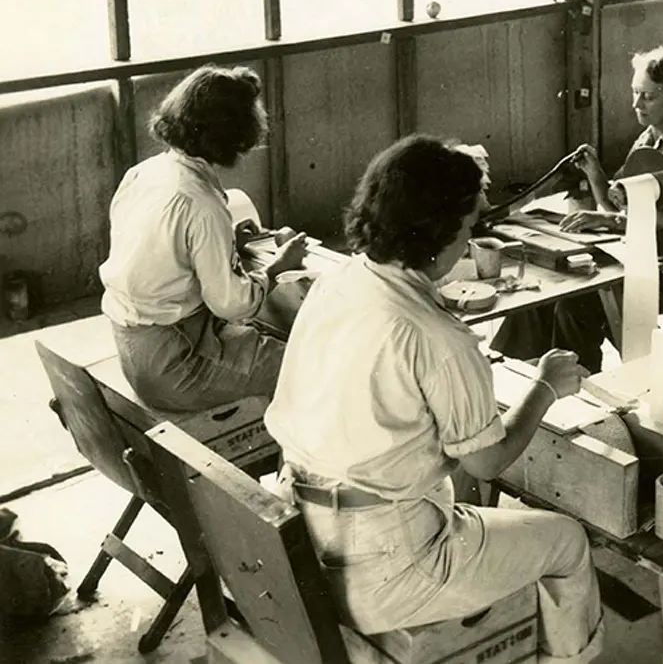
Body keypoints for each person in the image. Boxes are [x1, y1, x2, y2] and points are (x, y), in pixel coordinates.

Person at [264, 136, 603, 663]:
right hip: (384, 568)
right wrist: (544, 388)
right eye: (467, 230)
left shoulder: (338, 281)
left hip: (302, 536)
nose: (468, 245)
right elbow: (488, 462)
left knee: (452, 484)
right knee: (566, 540)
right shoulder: (438, 337)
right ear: (436, 232)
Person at [492, 46, 663, 373]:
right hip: (639, 250)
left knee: (576, 300)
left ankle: (579, 386)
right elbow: (617, 205)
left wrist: (605, 219)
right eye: (635, 93)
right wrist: (596, 175)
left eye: (648, 97)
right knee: (547, 288)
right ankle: (522, 372)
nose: (636, 104)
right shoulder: (646, 141)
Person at [99, 65, 307, 412]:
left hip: (133, 345)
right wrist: (277, 268)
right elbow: (232, 304)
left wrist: (225, 244)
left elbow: (158, 254)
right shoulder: (202, 202)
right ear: (234, 135)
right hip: (176, 365)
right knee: (305, 361)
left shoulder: (145, 172)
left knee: (259, 336)